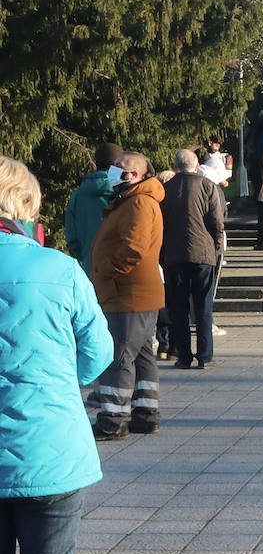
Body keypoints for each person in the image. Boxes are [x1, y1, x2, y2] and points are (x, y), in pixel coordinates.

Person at [0, 156, 112, 554]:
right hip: (51, 454)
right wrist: (58, 385)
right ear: (26, 208)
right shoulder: (61, 269)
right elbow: (99, 351)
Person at [89, 151, 165, 440]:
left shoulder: (139, 203)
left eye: (119, 167)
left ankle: (112, 419)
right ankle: (145, 414)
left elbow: (134, 248)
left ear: (134, 175)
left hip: (128, 293)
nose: (113, 170)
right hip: (136, 294)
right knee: (143, 356)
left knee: (118, 355)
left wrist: (105, 270)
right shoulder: (131, 201)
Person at [161, 150, 225, 371]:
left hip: (174, 255)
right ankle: (205, 356)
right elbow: (217, 221)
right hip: (203, 254)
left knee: (178, 308)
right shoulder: (208, 186)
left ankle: (183, 356)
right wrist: (216, 248)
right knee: (203, 306)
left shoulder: (165, 189)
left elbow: (160, 224)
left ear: (176, 165)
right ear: (196, 164)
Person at [64, 142, 122, 275]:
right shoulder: (126, 194)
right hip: (121, 273)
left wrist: (87, 256)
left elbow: (72, 240)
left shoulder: (77, 196)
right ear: (118, 166)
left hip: (90, 270)